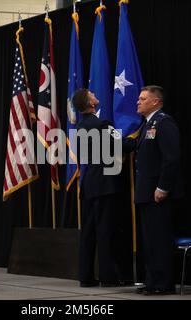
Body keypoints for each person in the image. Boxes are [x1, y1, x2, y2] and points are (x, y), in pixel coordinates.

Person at [124, 85, 184, 295]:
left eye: (142, 99)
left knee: (159, 240)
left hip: (158, 193)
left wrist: (163, 187)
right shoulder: (147, 124)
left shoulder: (164, 122)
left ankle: (163, 283)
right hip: (145, 193)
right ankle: (152, 281)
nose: (137, 102)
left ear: (155, 102)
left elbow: (171, 158)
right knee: (149, 241)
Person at [71, 88, 124, 287]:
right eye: (92, 94)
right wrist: (136, 142)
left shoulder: (80, 127)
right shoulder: (101, 124)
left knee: (88, 232)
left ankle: (85, 276)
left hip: (88, 184)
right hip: (104, 184)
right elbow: (119, 144)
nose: (95, 94)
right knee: (104, 231)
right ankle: (108, 277)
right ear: (90, 103)